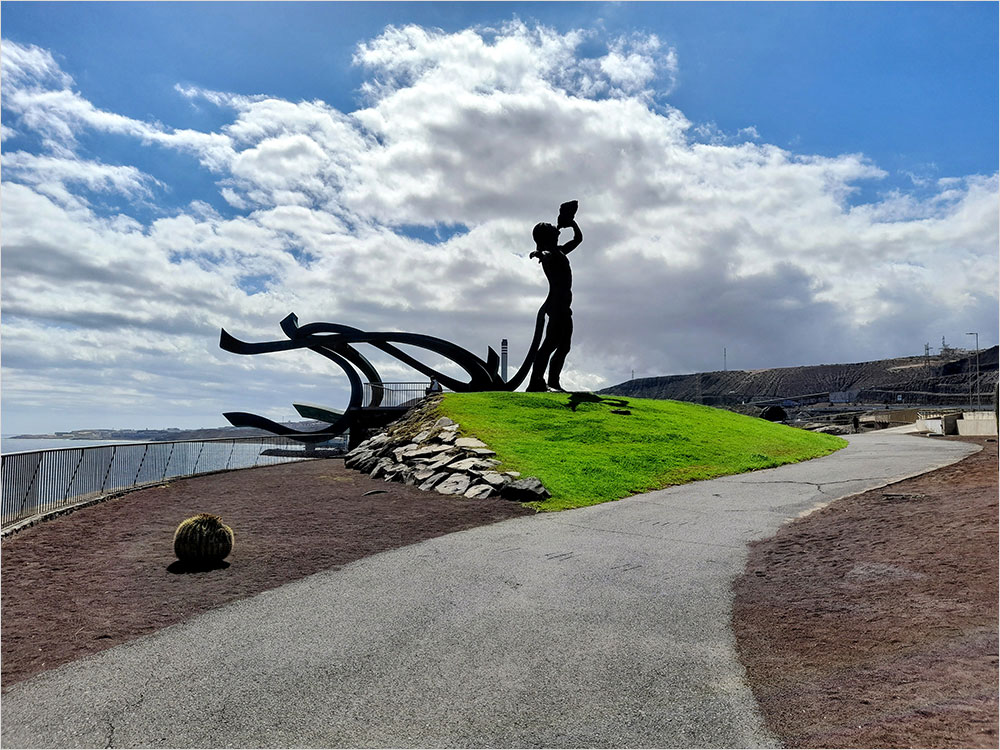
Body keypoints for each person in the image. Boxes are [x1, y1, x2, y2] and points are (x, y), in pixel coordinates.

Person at [527, 207, 582, 392]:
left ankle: (553, 382)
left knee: (564, 346)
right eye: (552, 230)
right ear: (547, 237)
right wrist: (539, 254)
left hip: (564, 306)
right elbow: (546, 255)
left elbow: (578, 239)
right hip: (557, 306)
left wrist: (572, 223)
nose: (556, 231)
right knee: (550, 344)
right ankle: (536, 381)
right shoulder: (550, 254)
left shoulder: (560, 251)